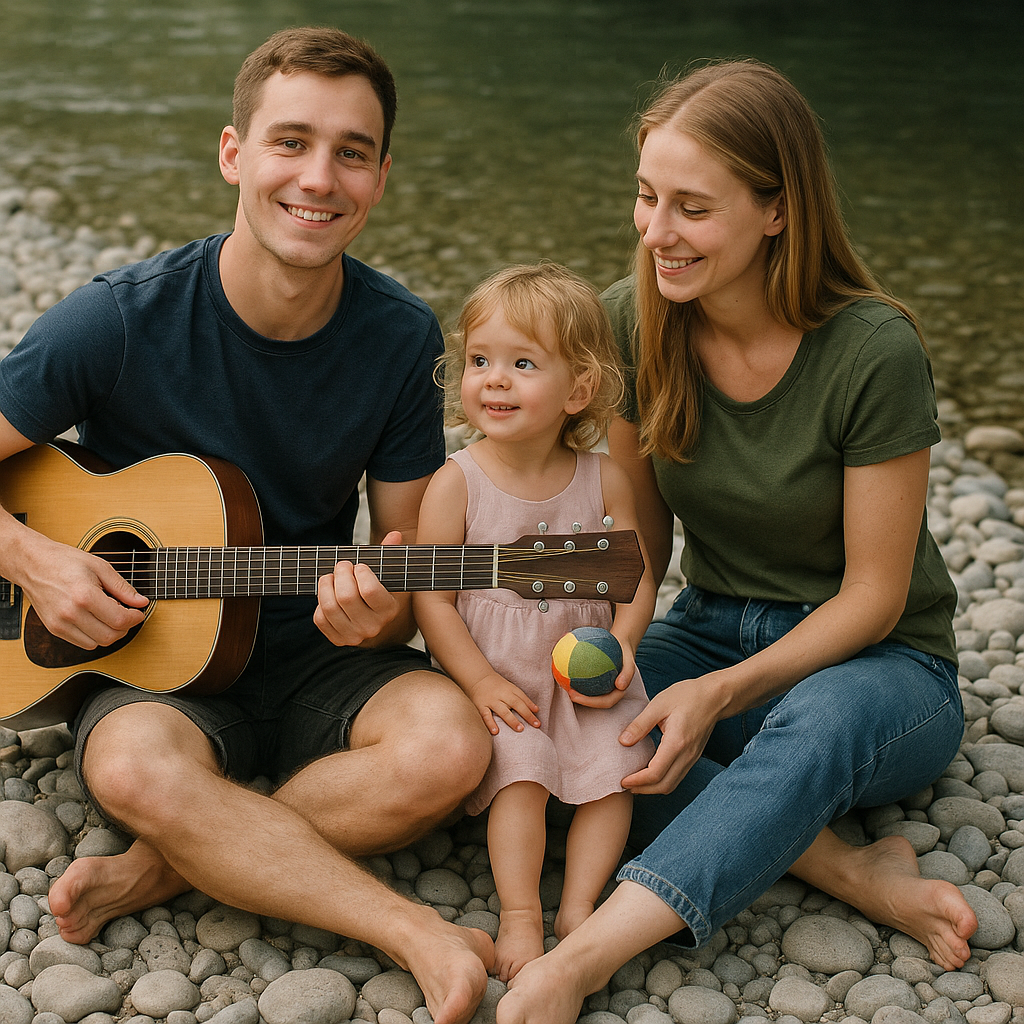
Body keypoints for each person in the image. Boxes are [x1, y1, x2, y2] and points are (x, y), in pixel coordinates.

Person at [0, 27, 495, 1024]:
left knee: (450, 748)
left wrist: (381, 620)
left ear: (382, 176)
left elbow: (400, 576)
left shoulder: (400, 337)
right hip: (156, 669)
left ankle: (161, 868)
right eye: (291, 142)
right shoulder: (122, 317)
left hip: (310, 651)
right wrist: (38, 561)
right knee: (136, 764)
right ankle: (413, 931)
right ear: (235, 153)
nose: (319, 177)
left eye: (351, 151)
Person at [496, 59, 979, 1024]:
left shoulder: (872, 349)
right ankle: (850, 872)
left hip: (882, 666)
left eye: (692, 208)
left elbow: (875, 596)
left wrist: (718, 692)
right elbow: (636, 538)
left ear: (776, 210)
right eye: (645, 197)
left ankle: (582, 961)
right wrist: (610, 643)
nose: (656, 233)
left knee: (819, 725)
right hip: (712, 624)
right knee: (559, 729)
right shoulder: (633, 323)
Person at [414, 263, 656, 982]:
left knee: (618, 772)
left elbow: (634, 578)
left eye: (523, 364)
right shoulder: (457, 481)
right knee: (520, 771)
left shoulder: (604, 476)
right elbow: (432, 599)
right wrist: (480, 679)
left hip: (585, 672)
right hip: (502, 674)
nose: (494, 379)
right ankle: (520, 911)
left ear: (579, 390)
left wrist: (625, 647)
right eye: (480, 361)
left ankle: (580, 907)